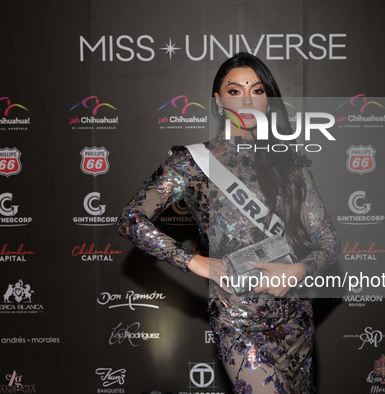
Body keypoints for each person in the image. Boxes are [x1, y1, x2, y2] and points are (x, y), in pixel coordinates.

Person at [116, 52, 341, 394]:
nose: (248, 99)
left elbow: (328, 241)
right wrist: (194, 261)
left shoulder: (289, 162)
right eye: (235, 91)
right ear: (218, 101)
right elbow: (131, 219)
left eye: (258, 90)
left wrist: (300, 270)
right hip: (240, 323)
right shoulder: (192, 162)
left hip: (296, 319)